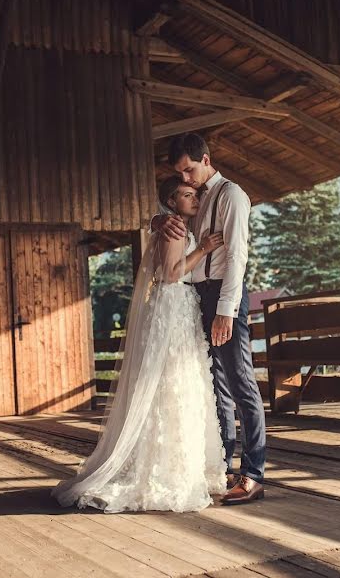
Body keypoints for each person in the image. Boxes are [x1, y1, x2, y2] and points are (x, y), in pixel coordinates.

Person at [52, 176, 227, 513]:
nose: (193, 200)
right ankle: (164, 469)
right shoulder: (174, 227)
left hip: (177, 309)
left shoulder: (174, 225)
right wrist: (203, 249)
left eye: (195, 195)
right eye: (187, 196)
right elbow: (171, 274)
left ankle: (179, 465)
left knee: (178, 382)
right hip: (173, 307)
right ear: (172, 202)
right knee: (170, 383)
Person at [152, 132, 266, 505]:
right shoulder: (197, 199)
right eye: (180, 174)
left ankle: (253, 473)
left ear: (206, 159)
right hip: (197, 296)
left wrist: (226, 311)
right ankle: (224, 465)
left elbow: (237, 257)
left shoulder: (232, 195)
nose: (185, 179)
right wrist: (159, 220)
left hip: (222, 296)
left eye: (189, 170)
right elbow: (176, 221)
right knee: (215, 386)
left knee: (241, 383)